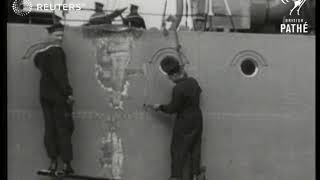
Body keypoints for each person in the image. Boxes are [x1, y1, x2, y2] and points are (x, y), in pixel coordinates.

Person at [146, 56, 204, 180]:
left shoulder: (178, 88)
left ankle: (176, 177)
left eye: (170, 76)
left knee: (178, 151)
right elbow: (198, 91)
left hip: (184, 122)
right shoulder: (193, 81)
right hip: (198, 119)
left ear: (175, 74)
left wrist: (160, 107)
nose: (170, 79)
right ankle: (196, 175)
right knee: (195, 148)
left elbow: (172, 109)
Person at [33, 23, 75, 174]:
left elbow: (36, 62)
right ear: (49, 36)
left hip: (44, 96)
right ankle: (66, 165)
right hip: (59, 97)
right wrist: (68, 93)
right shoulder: (57, 52)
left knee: (49, 129)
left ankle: (52, 163)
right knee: (63, 129)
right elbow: (60, 75)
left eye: (62, 36)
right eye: (57, 35)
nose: (60, 38)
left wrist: (44, 49)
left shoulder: (42, 54)